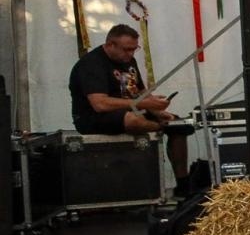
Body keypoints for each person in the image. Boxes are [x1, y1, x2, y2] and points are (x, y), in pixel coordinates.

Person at [68, 24, 193, 191]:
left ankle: (183, 183)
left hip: (128, 110)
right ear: (110, 45)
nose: (131, 54)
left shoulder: (128, 61)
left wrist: (157, 109)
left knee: (178, 124)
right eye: (127, 49)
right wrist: (145, 104)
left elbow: (138, 92)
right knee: (134, 120)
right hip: (92, 117)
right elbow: (100, 104)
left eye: (134, 49)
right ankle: (161, 127)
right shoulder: (91, 64)